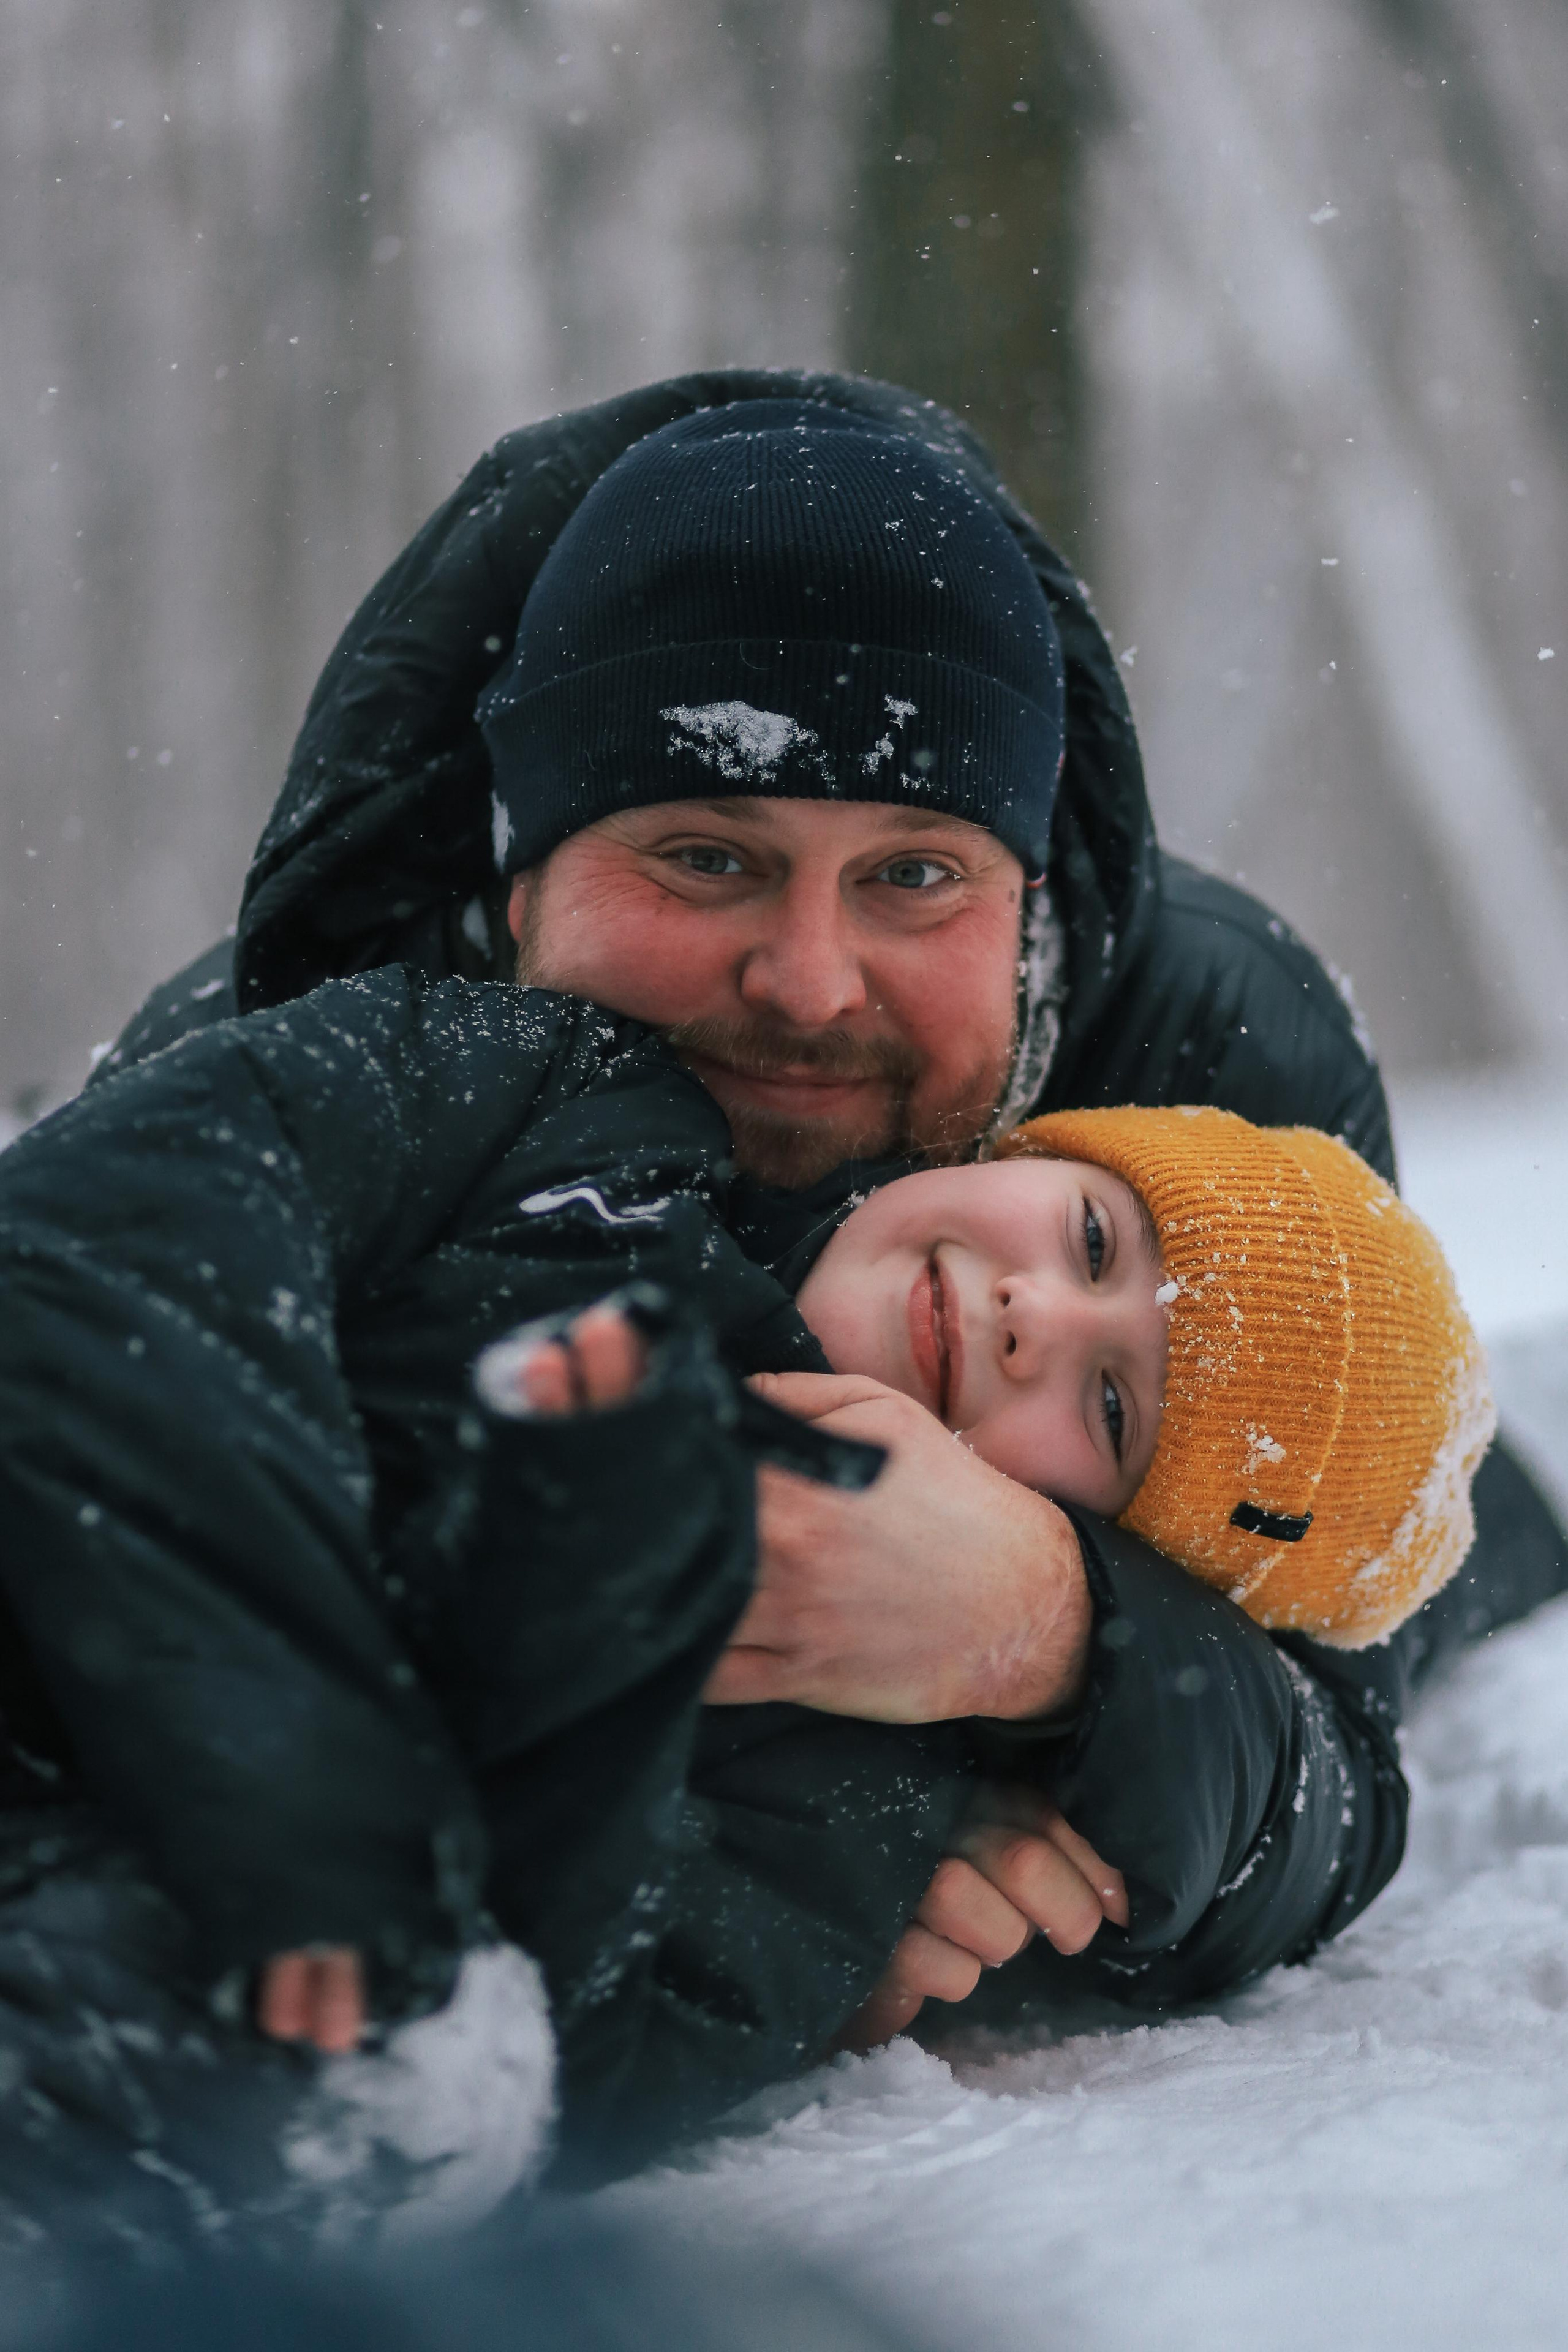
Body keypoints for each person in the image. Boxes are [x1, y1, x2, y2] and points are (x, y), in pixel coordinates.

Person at [97, 377, 1567, 2093]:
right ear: (520, 887)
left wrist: (1049, 1636)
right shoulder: (308, 1047)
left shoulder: (1209, 1051)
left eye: (915, 876)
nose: (808, 981)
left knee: (1478, 1515)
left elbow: (1334, 1757)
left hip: (1457, 1507)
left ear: (1026, 903)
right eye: (707, 856)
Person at [0, 968, 1493, 2236]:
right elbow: (131, 1231)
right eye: (1095, 1238)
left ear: (1103, 1542)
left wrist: (586, 1642)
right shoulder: (579, 1114)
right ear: (1026, 1145)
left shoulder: (860, 1785)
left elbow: (574, 2050)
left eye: (1113, 1410)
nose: (1038, 1313)